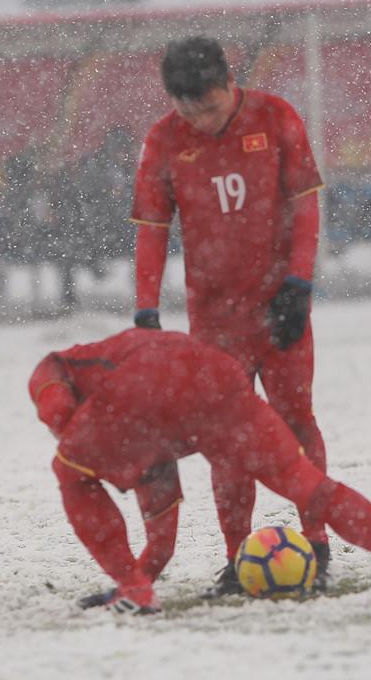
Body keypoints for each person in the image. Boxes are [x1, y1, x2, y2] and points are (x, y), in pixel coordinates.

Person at [28, 327, 371, 614]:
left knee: (69, 473)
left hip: (148, 382)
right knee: (308, 485)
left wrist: (69, 435)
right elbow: (156, 498)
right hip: (215, 374)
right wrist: (144, 572)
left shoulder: (57, 369)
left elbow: (57, 401)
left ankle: (136, 594)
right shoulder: (126, 397)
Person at [130, 37, 330, 582]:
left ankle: (318, 541)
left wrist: (299, 284)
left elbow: (305, 206)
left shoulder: (275, 116)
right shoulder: (164, 140)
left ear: (228, 83)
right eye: (187, 110)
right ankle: (237, 554)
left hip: (278, 307)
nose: (201, 121)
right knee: (227, 438)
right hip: (215, 322)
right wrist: (146, 310)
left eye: (211, 108)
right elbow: (152, 230)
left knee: (295, 421)